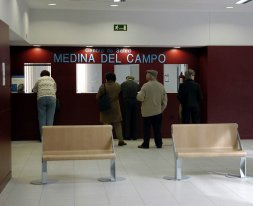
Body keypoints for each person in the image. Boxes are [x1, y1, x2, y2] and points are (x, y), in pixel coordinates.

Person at [137, 70, 167, 149]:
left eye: (147, 74)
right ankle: (159, 144)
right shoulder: (161, 86)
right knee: (157, 129)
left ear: (152, 76)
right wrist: (161, 109)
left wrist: (138, 94)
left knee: (146, 129)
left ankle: (146, 144)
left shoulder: (145, 86)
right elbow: (165, 100)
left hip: (147, 112)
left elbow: (140, 98)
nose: (146, 75)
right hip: (158, 112)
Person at [96, 72, 127, 146]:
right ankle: (121, 140)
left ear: (107, 78)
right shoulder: (118, 86)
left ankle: (107, 141)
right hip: (116, 107)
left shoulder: (103, 86)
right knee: (117, 124)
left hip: (106, 108)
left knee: (106, 124)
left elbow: (97, 97)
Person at [33, 70, 57, 141]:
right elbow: (55, 89)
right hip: (52, 98)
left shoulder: (39, 79)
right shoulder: (52, 79)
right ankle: (49, 139)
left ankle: (43, 138)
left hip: (41, 98)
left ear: (41, 75)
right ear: (48, 75)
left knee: (42, 119)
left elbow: (34, 89)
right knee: (50, 119)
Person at [121, 76, 140, 140]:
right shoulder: (137, 85)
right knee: (134, 119)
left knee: (127, 118)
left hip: (126, 102)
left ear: (127, 78)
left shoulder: (123, 84)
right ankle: (134, 136)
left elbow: (120, 93)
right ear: (133, 79)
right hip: (135, 101)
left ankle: (127, 135)